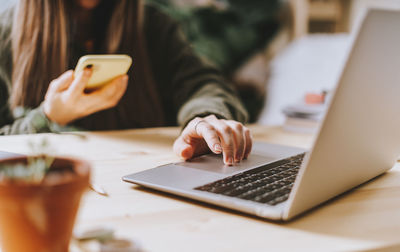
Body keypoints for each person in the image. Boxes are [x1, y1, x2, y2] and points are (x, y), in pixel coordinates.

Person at [0, 0, 252, 165]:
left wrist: (205, 120)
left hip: (144, 185)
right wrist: (49, 116)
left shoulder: (152, 23)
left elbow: (202, 84)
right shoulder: (6, 33)